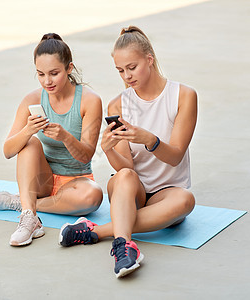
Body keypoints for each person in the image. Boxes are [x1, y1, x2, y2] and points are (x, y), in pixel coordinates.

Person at [59, 26, 197, 278]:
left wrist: (148, 139)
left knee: (186, 201)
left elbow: (175, 155)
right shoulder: (118, 104)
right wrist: (108, 149)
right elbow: (126, 169)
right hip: (133, 191)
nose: (126, 76)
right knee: (122, 177)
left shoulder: (183, 96)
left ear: (149, 59)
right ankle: (124, 247)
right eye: (120, 70)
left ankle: (94, 232)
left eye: (132, 68)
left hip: (167, 193)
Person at [0, 33, 103, 247]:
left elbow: (86, 155)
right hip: (43, 180)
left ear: (69, 68)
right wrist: (27, 131)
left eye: (54, 73)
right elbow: (8, 150)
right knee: (29, 143)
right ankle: (29, 217)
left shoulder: (90, 100)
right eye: (40, 74)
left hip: (76, 183)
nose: (47, 81)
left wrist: (66, 137)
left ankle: (23, 203)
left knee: (93, 196)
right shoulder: (32, 99)